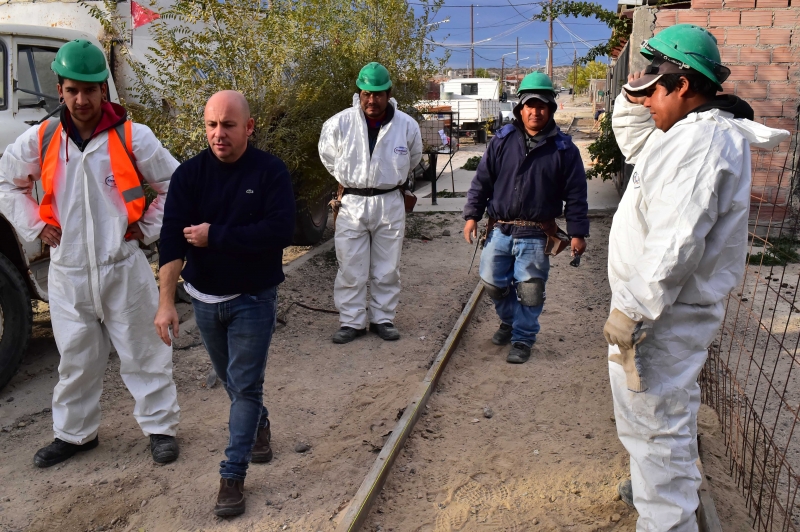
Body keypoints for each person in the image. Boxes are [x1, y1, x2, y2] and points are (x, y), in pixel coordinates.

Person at [606, 24, 790, 531]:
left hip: (662, 319)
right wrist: (639, 86)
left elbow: (676, 239)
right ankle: (654, 494)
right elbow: (631, 140)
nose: (646, 99)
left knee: (657, 429)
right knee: (658, 426)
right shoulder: (679, 134)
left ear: (683, 86)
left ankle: (664, 519)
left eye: (654, 86)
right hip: (662, 314)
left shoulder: (701, 144)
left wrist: (633, 310)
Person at [0, 39, 181, 467]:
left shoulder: (133, 137)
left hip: (122, 266)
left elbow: (176, 186)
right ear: (59, 90)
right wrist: (35, 225)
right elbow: (7, 183)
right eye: (72, 90)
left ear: (104, 90)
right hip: (69, 271)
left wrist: (146, 229)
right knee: (76, 359)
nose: (82, 100)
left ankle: (160, 429)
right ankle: (75, 435)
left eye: (90, 90)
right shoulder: (42, 138)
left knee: (144, 352)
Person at [155, 90, 295, 517]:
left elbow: (280, 231)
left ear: (249, 127)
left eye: (229, 125)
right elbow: (170, 242)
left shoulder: (270, 172)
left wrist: (216, 235)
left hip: (253, 296)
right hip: (204, 298)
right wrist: (166, 302)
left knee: (245, 385)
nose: (219, 134)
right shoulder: (189, 176)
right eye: (212, 125)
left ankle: (231, 476)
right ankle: (259, 424)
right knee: (233, 382)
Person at [462, 72, 589, 364]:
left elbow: (576, 194)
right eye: (530, 105)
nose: (536, 111)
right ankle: (509, 320)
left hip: (536, 233)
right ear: (520, 107)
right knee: (492, 282)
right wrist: (472, 215)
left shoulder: (564, 149)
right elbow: (482, 181)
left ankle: (522, 337)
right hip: (500, 228)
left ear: (551, 108)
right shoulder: (502, 141)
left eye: (542, 105)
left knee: (530, 289)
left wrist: (578, 232)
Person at [318, 62, 422, 344]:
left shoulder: (406, 126)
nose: (371, 100)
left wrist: (387, 178)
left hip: (389, 200)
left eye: (377, 94)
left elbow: (413, 158)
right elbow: (328, 157)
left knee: (387, 266)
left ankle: (382, 318)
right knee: (350, 265)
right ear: (359, 93)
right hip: (352, 201)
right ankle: (351, 321)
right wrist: (350, 178)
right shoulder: (339, 124)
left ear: (388, 93)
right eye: (366, 93)